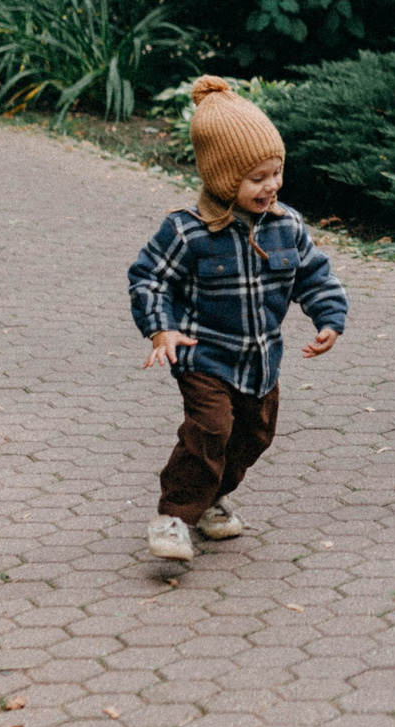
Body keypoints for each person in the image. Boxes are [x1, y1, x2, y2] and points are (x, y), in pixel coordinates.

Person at [128, 76, 348, 563]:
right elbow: (149, 280)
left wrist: (329, 317)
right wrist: (160, 328)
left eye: (276, 173)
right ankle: (174, 517)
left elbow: (314, 275)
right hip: (202, 354)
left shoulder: (287, 224)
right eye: (256, 178)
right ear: (224, 178)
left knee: (254, 435)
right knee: (210, 430)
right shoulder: (187, 231)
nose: (271, 186)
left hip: (261, 360)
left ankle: (211, 502)